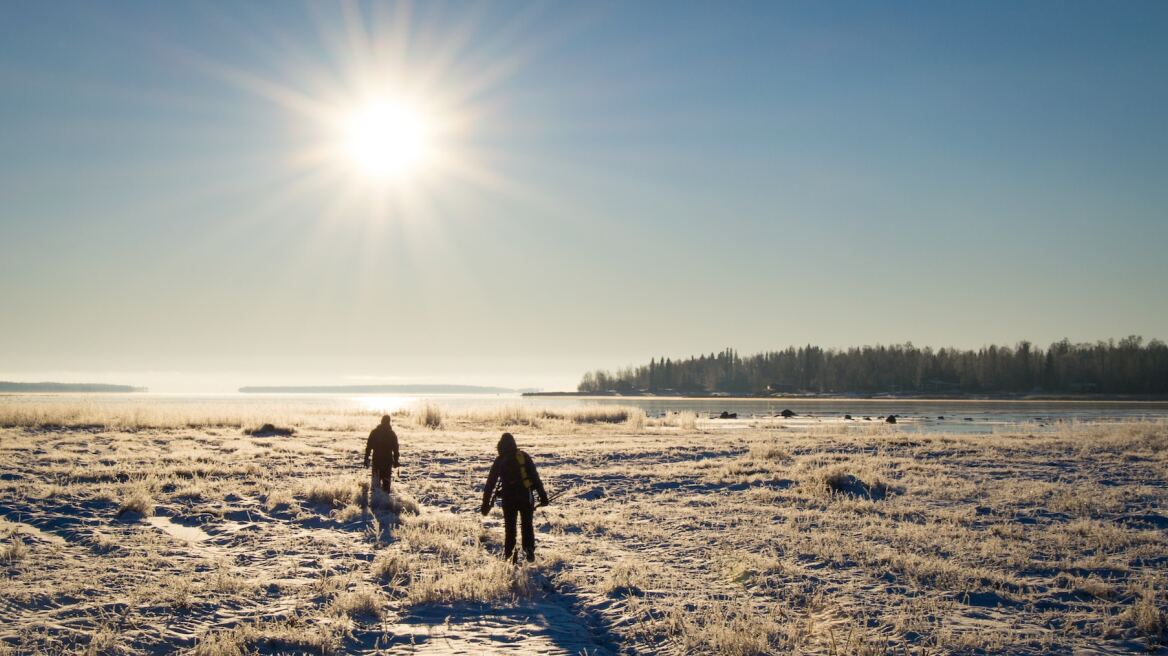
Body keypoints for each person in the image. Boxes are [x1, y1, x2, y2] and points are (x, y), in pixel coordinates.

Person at [481, 432, 549, 562]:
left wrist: (485, 504)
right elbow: (535, 478)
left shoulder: (500, 460)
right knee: (527, 525)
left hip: (508, 499)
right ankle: (529, 552)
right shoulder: (523, 456)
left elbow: (490, 484)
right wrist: (543, 497)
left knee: (510, 529)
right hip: (525, 496)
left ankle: (510, 557)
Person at [364, 415, 400, 493]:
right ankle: (384, 503)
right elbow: (396, 449)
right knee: (386, 488)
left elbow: (369, 447)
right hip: (387, 462)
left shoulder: (374, 432)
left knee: (375, 487)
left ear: (381, 421)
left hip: (377, 461)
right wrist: (396, 461)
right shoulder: (392, 434)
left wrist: (366, 458)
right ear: (389, 422)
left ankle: (375, 503)